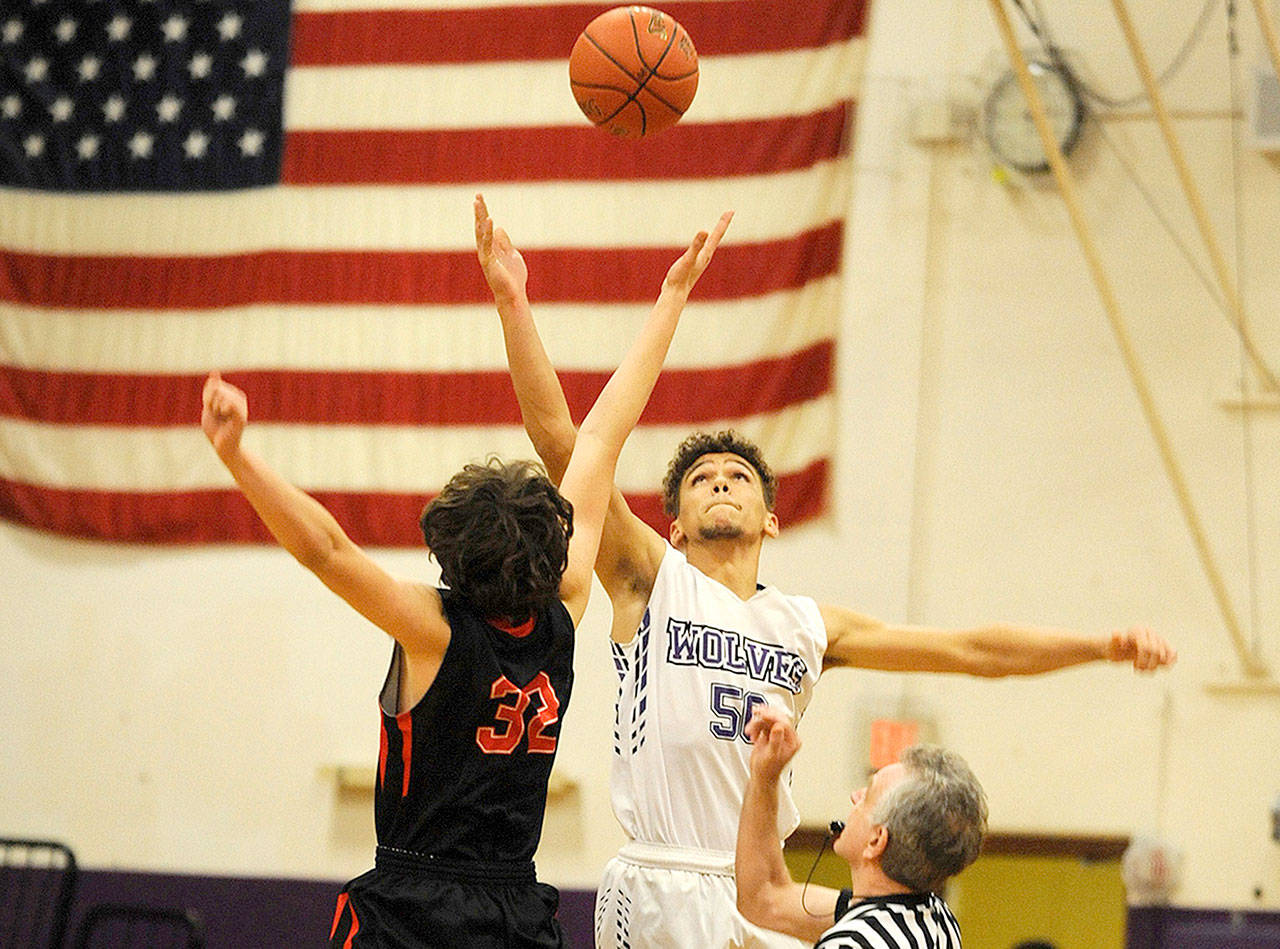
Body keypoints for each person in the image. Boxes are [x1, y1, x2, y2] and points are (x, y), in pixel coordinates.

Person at [479, 202, 1178, 949]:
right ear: (674, 523)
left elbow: (973, 651)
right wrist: (513, 302)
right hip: (662, 879)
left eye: (739, 475)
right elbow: (562, 440)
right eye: (703, 477)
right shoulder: (650, 577)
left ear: (771, 518)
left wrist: (1099, 644)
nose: (721, 482)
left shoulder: (810, 625)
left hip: (762, 885)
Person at [199, 194, 732, 949]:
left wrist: (237, 457)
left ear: (449, 556)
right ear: (552, 545)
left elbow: (327, 549)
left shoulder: (431, 627)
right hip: (515, 907)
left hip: (411, 904)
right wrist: (668, 296)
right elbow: (605, 431)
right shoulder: (566, 604)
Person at [736, 704, 986, 948]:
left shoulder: (851, 942)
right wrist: (765, 777)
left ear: (876, 841)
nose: (855, 795)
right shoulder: (938, 918)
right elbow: (766, 899)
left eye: (868, 795)